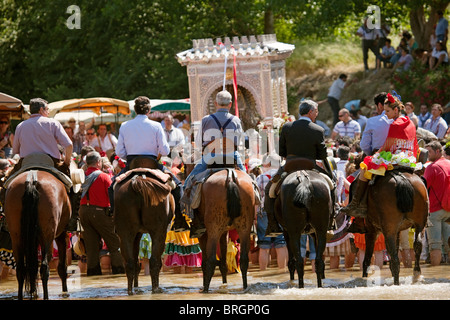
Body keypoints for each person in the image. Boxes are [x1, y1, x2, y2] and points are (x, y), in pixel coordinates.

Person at [113, 96, 187, 231]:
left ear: (134, 110)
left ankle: (114, 217)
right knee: (178, 186)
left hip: (131, 164)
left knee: (112, 186)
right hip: (152, 164)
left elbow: (120, 152)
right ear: (149, 110)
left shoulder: (125, 126)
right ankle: (180, 219)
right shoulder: (157, 126)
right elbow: (164, 150)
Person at [342, 93, 420, 218]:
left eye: (388, 111)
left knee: (365, 166)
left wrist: (374, 156)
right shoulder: (409, 122)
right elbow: (415, 143)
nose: (386, 114)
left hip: (395, 158)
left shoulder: (395, 124)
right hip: (409, 158)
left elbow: (387, 147)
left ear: (395, 110)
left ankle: (356, 204)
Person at [182, 90, 246, 237]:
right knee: (251, 182)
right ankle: (254, 213)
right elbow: (241, 144)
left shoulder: (206, 120)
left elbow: (198, 144)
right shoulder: (236, 120)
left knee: (188, 182)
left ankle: (188, 218)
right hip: (232, 156)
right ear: (230, 104)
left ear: (216, 103)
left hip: (211, 156)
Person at [264, 99, 332, 237]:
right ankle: (331, 221)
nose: (317, 114)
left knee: (269, 191)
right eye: (316, 111)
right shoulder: (318, 129)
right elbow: (322, 155)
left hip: (289, 166)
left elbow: (281, 152)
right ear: (310, 111)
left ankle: (273, 224)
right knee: (332, 186)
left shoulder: (287, 127)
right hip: (311, 165)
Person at [79, 151, 124, 276]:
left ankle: (93, 276)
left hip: (83, 212)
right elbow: (112, 197)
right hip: (100, 213)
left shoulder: (80, 176)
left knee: (91, 249)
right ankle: (119, 273)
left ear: (87, 163)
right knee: (114, 245)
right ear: (98, 162)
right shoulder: (104, 177)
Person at [12, 98, 72, 176]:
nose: (48, 112)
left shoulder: (20, 126)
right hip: (51, 162)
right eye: (47, 109)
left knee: (6, 182)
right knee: (69, 184)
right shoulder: (53, 123)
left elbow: (15, 151)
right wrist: (66, 163)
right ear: (41, 110)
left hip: (25, 163)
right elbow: (69, 145)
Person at [255, 153, 288, 271]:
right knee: (281, 244)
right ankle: (282, 272)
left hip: (264, 212)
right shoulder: (284, 177)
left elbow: (256, 199)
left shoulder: (260, 178)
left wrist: (255, 216)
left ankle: (262, 273)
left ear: (268, 164)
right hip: (280, 212)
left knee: (264, 246)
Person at [423, 141, 450, 266]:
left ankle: (433, 277)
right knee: (449, 243)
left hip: (434, 210)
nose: (427, 155)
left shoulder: (431, 167)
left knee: (435, 245)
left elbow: (423, 188)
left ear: (438, 151)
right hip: (449, 208)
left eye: (429, 152)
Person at [359, 92, 392, 156]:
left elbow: (364, 145)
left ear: (379, 105)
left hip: (378, 158)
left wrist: (372, 155)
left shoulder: (371, 121)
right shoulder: (402, 119)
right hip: (399, 158)